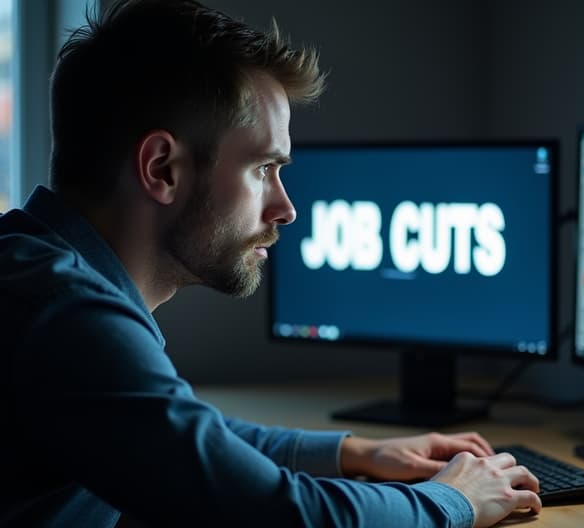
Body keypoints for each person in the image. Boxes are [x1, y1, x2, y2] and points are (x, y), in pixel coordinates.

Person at [0, 1, 541, 526]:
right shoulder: (66, 319)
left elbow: (185, 442)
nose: (285, 208)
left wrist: (355, 453)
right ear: (162, 168)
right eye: (264, 168)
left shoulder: (39, 274)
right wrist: (453, 500)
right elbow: (274, 513)